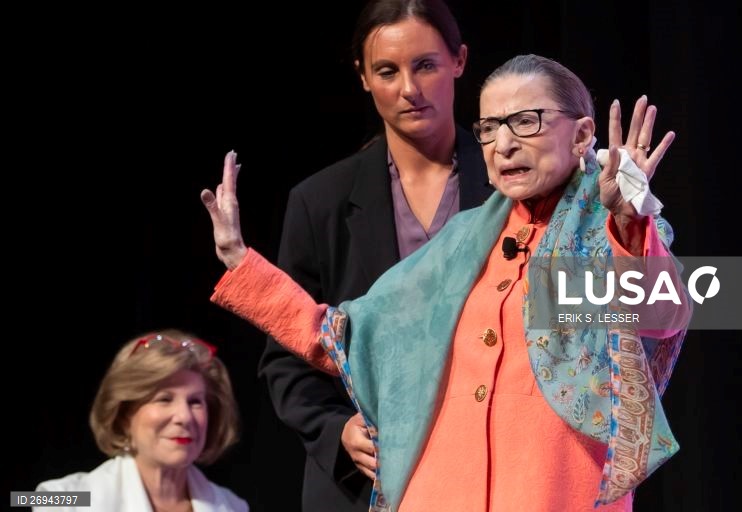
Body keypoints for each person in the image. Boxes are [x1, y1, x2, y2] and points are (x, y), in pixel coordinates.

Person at [201, 54, 692, 511]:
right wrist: (242, 263)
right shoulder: (462, 243)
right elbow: (346, 338)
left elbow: (663, 316)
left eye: (526, 122)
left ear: (582, 135)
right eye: (490, 128)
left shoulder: (609, 231)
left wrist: (629, 221)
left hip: (551, 491)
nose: (503, 145)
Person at [257, 0, 490, 510]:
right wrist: (337, 430)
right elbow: (285, 357)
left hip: (492, 467)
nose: (409, 88)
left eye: (425, 64)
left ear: (460, 61)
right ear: (364, 77)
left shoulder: (511, 184)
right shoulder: (320, 202)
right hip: (370, 481)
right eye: (387, 70)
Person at [35, 329, 248, 512]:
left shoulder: (233, 506)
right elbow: (20, 499)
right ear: (125, 415)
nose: (184, 417)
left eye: (195, 402)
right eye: (164, 399)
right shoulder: (64, 498)